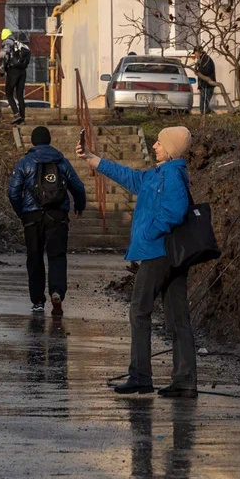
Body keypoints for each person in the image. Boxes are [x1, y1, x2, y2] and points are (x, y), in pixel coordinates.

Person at [76, 127, 196, 398]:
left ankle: (141, 377)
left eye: (159, 142)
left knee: (139, 312)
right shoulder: (159, 174)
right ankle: (185, 380)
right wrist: (92, 158)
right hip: (169, 254)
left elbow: (175, 212)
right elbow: (129, 177)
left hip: (159, 253)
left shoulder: (172, 175)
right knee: (177, 317)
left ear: (171, 148)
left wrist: (149, 231)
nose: (154, 146)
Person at [9, 126, 87, 316]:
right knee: (57, 257)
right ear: (49, 140)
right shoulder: (62, 162)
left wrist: (22, 213)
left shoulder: (24, 163)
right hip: (57, 215)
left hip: (32, 217)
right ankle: (57, 291)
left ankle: (37, 301)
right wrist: (79, 205)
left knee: (34, 258)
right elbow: (77, 186)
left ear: (33, 142)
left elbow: (13, 192)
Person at [0, 29, 30, 125]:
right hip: (22, 71)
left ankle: (16, 114)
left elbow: (4, 57)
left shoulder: (7, 43)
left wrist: (1, 70)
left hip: (13, 71)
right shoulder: (19, 44)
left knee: (9, 93)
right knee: (20, 95)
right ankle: (23, 118)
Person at [191, 47, 217, 115]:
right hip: (203, 85)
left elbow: (206, 71)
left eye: (195, 53)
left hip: (207, 85)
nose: (195, 55)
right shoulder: (201, 59)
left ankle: (211, 116)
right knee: (203, 105)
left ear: (199, 52)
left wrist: (198, 71)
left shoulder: (206, 59)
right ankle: (206, 117)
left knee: (204, 106)